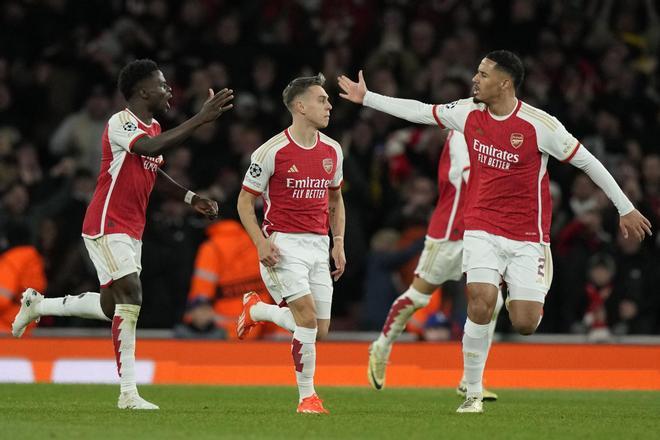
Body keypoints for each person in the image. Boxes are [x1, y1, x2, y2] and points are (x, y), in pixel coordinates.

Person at [338, 50, 652, 413]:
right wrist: (368, 98)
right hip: (481, 227)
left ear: (504, 83)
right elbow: (422, 111)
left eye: (483, 74)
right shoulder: (467, 112)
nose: (475, 78)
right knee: (481, 299)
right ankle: (472, 393)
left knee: (524, 322)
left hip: (527, 237)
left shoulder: (540, 125)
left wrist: (624, 207)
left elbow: (587, 161)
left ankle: (520, 298)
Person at [12, 59, 234, 410]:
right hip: (106, 221)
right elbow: (148, 149)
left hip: (131, 228)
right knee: (131, 294)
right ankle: (128, 393)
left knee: (110, 305)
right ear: (143, 91)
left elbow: (153, 171)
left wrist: (191, 198)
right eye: (162, 85)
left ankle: (38, 304)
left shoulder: (155, 125)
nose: (168, 90)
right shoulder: (120, 122)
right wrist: (200, 119)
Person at [236, 73, 346, 414]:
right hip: (282, 246)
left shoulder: (333, 150)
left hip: (317, 244)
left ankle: (256, 310)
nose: (328, 105)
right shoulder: (271, 151)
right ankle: (307, 398)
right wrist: (260, 242)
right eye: (321, 99)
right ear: (300, 106)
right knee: (307, 319)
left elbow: (336, 200)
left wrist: (338, 242)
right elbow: (243, 202)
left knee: (319, 329)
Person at [367, 130, 503, 402]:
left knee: (494, 300)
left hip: (478, 233)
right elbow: (469, 175)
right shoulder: (462, 130)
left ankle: (470, 379)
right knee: (418, 296)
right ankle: (381, 348)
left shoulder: (497, 129)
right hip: (448, 234)